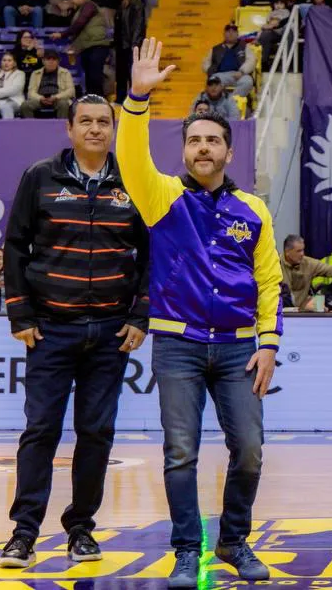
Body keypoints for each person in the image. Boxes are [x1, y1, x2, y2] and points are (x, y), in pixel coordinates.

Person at [117, 38, 283, 589]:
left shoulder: (253, 209)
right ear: (183, 150)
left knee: (251, 452)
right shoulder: (161, 196)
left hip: (239, 346)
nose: (204, 148)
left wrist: (268, 343)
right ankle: (189, 549)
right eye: (194, 140)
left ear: (229, 152)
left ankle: (234, 540)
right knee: (180, 452)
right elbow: (129, 158)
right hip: (178, 346)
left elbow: (269, 282)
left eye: (213, 140)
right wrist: (137, 99)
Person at [0, 93, 151, 568]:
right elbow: (16, 246)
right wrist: (20, 316)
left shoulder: (135, 181)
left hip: (110, 333)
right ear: (69, 128)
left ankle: (81, 528)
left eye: (104, 121)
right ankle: (23, 533)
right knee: (40, 430)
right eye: (85, 121)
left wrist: (139, 315)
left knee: (96, 433)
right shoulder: (40, 176)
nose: (95, 129)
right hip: (50, 330)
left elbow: (150, 254)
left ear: (113, 129)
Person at [280, 235, 332, 310]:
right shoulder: (274, 264)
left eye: (303, 250)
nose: (302, 254)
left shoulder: (309, 263)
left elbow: (331, 269)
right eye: (298, 251)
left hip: (303, 312)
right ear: (287, 252)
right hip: (278, 313)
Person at [22, 50, 76, 119]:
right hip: (40, 99)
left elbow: (71, 91)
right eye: (48, 59)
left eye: (54, 59)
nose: (51, 62)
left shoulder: (65, 72)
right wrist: (40, 98)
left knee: (63, 104)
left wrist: (56, 97)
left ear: (58, 61)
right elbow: (31, 92)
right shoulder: (35, 73)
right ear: (43, 61)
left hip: (58, 99)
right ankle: (31, 128)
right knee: (25, 105)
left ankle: (61, 128)